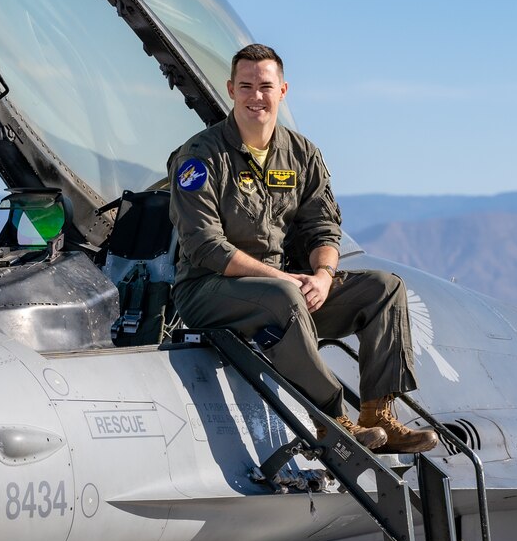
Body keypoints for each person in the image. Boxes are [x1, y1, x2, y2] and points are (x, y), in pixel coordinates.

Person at [167, 44, 437, 454]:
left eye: (265, 86)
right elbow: (206, 247)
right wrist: (284, 279)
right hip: (208, 290)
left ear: (283, 90)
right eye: (245, 86)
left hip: (281, 293)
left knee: (385, 288)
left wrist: (324, 277)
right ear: (230, 90)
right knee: (285, 295)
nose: (256, 96)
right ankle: (331, 419)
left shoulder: (301, 155)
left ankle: (377, 415)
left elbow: (322, 228)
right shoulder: (201, 157)